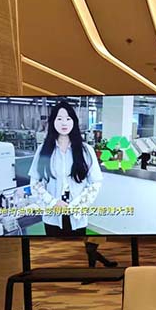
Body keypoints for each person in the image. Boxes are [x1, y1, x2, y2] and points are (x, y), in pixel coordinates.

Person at [29, 100, 103, 236]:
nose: (64, 123)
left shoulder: (86, 151)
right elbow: (35, 182)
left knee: (77, 247)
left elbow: (95, 183)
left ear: (74, 122)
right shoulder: (43, 150)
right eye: (59, 119)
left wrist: (77, 205)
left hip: (77, 215)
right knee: (54, 247)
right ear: (53, 122)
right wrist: (53, 202)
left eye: (68, 119)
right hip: (52, 215)